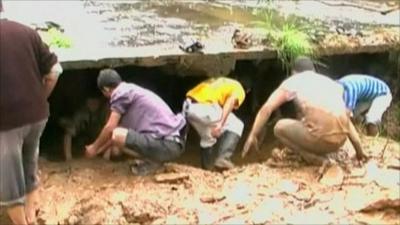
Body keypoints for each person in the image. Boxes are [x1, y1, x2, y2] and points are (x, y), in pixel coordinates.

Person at [0, 3, 63, 224]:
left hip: (7, 121)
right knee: (28, 166)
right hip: (37, 116)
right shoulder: (27, 31)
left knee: (8, 183)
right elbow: (55, 70)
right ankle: (31, 217)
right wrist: (41, 97)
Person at [242, 56, 367, 168]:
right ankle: (323, 151)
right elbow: (345, 118)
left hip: (320, 139)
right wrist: (359, 152)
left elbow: (267, 108)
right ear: (313, 71)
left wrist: (252, 135)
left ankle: (312, 158)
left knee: (279, 127)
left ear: (293, 73)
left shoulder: (293, 81)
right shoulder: (329, 82)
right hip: (340, 140)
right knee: (320, 118)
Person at [85, 69, 187, 176]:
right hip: (172, 143)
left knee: (118, 134)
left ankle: (153, 162)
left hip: (167, 145)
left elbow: (110, 128)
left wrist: (93, 148)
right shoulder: (130, 90)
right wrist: (98, 150)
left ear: (105, 89)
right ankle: (153, 161)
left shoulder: (120, 93)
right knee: (120, 137)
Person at [183, 77, 248, 170]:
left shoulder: (220, 81)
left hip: (188, 108)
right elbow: (231, 101)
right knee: (237, 124)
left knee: (208, 137)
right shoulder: (239, 88)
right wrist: (221, 123)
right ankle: (224, 158)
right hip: (205, 107)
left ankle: (207, 170)